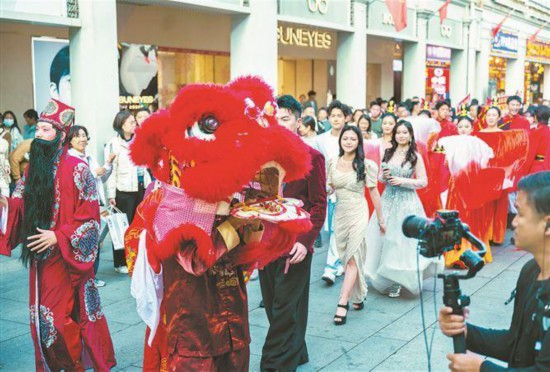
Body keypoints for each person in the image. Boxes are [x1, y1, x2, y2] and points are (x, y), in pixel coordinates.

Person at [0, 99, 116, 370]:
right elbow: (20, 200)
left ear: (61, 136)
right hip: (40, 258)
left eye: (45, 130)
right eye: (38, 129)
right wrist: (7, 205)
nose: (38, 134)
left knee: (62, 320)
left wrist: (59, 236)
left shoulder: (79, 170)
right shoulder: (32, 169)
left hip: (66, 258)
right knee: (41, 319)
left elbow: (90, 220)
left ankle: (73, 366)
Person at [439, 171, 550, 371]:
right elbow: (515, 343)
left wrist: (482, 368)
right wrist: (464, 331)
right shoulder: (531, 271)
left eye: (521, 214)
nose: (514, 222)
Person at [259, 94, 327, 371]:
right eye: (274, 119)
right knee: (276, 303)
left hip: (295, 243)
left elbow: (319, 205)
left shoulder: (313, 157)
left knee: (284, 308)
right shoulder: (262, 157)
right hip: (265, 244)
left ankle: (273, 365)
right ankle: (297, 351)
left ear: (298, 121)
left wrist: (305, 242)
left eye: (285, 119)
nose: (279, 124)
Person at [365, 120, 442, 298]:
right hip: (387, 201)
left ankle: (399, 281)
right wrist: (384, 176)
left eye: (404, 132)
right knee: (384, 240)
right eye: (398, 132)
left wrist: (403, 182)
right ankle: (386, 277)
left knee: (402, 243)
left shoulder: (415, 156)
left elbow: (423, 181)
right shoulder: (388, 152)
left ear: (410, 135)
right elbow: (381, 179)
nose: (401, 135)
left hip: (407, 203)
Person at [328, 125, 383, 325]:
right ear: (340, 140)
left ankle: (343, 303)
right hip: (340, 213)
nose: (349, 141)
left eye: (353, 138)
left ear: (359, 142)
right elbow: (330, 187)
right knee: (347, 257)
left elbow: (374, 192)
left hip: (359, 211)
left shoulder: (366, 165)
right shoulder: (332, 163)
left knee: (351, 257)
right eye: (346, 138)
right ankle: (359, 295)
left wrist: (381, 219)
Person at [68, 125, 116, 287]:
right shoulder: (70, 159)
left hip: (94, 205)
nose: (82, 139)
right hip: (79, 208)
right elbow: (78, 182)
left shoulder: (89, 157)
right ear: (70, 140)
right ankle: (81, 278)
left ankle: (92, 277)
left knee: (94, 242)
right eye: (77, 136)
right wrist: (95, 172)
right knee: (81, 243)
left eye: (84, 135)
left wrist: (107, 166)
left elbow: (100, 179)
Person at [106, 111, 152, 273]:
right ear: (122, 125)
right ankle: (120, 262)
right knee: (122, 227)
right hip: (123, 190)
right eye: (131, 122)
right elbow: (111, 171)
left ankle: (137, 259)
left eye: (135, 122)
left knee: (139, 225)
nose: (135, 125)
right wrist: (111, 195)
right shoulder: (113, 144)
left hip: (141, 187)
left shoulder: (140, 140)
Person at [314, 100, 350, 284]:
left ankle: (332, 266)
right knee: (334, 228)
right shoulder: (319, 140)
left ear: (346, 118)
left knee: (339, 228)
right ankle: (336, 264)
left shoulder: (351, 137)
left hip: (348, 188)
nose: (336, 119)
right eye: (333, 116)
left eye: (339, 116)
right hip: (327, 189)